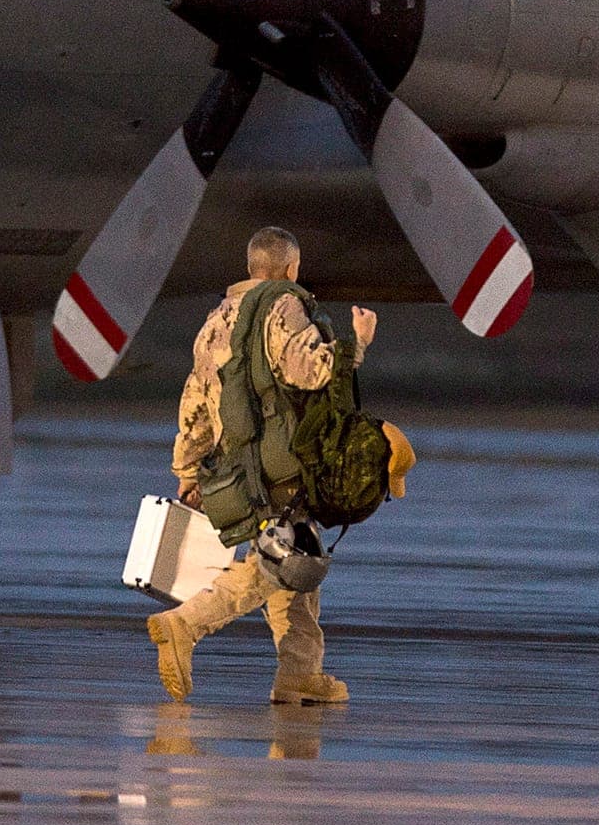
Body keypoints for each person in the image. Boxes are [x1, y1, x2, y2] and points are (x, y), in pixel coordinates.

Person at [146, 225, 411, 705]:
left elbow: (195, 401)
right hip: (281, 465)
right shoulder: (283, 307)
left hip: (236, 470)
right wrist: (359, 341)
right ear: (292, 268)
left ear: (250, 267)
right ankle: (186, 624)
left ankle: (300, 673)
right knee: (287, 563)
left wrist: (187, 471)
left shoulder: (216, 320)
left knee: (295, 556)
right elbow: (314, 371)